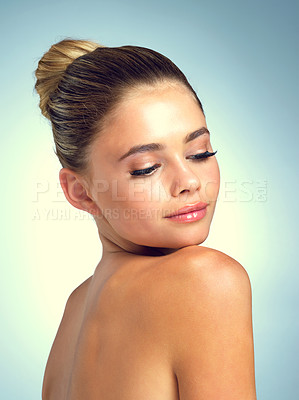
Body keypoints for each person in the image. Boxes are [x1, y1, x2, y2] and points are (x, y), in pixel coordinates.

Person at [35, 38, 257, 400]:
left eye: (201, 152)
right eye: (146, 168)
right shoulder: (203, 280)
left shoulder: (76, 309)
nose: (188, 181)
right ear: (81, 192)